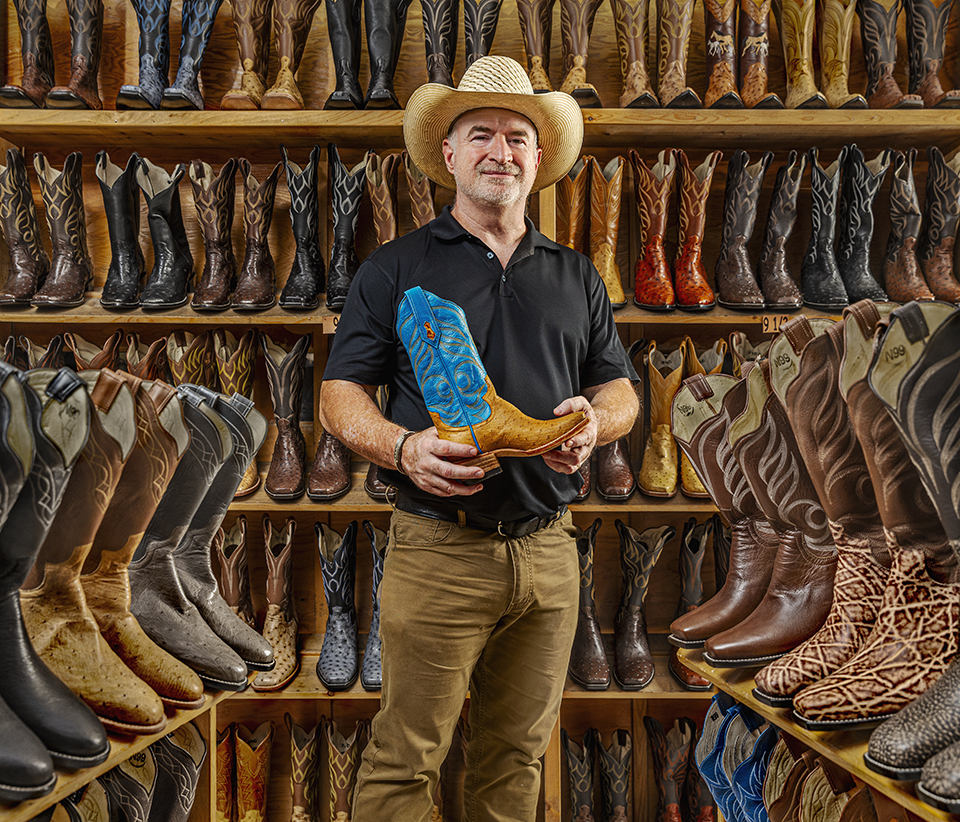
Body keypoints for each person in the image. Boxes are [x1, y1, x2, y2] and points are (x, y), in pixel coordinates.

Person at [319, 54, 639, 821]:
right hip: (439, 548)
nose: (501, 151)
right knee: (404, 759)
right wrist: (402, 449)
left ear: (537, 158)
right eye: (482, 135)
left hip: (551, 550)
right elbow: (338, 395)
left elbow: (620, 388)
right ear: (451, 155)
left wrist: (595, 425)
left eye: (518, 137)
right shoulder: (397, 268)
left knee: (517, 759)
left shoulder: (576, 275)